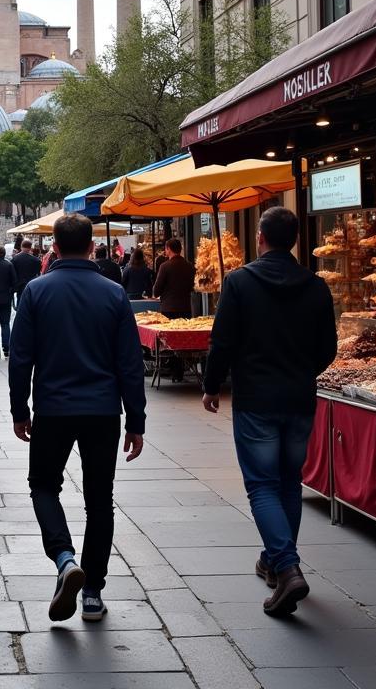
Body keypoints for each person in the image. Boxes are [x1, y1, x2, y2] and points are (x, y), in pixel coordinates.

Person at [9, 212, 146, 624]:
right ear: (91, 247)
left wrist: (20, 410)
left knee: (43, 486)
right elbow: (130, 362)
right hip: (103, 409)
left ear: (53, 246)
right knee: (99, 501)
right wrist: (135, 419)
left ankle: (65, 557)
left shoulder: (36, 291)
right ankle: (92, 592)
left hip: (53, 407)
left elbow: (20, 358)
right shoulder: (113, 292)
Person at [203, 207, 337, 618]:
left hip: (257, 398)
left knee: (262, 485)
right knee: (288, 482)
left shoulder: (240, 282)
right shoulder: (315, 286)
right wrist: (300, 372)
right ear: (295, 240)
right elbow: (327, 348)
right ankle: (275, 560)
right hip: (298, 397)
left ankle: (287, 566)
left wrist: (212, 384)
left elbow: (222, 340)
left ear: (260, 237)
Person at [151, 238, 194, 319]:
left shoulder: (164, 266)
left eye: (165, 248)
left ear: (169, 249)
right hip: (186, 308)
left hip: (168, 309)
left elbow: (156, 290)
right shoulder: (189, 266)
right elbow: (192, 286)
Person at [11, 239, 41, 306]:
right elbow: (38, 273)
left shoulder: (15, 259)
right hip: (32, 285)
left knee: (20, 302)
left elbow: (12, 273)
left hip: (19, 285)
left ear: (21, 247)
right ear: (30, 248)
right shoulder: (36, 260)